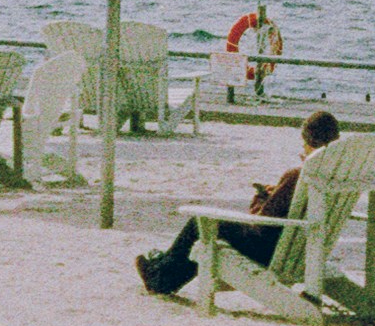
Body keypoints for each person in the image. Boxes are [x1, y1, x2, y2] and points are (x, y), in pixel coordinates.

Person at [136, 109, 340, 296]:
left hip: (267, 251)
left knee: (200, 224)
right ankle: (161, 265)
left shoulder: (297, 175)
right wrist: (277, 193)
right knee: (205, 230)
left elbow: (260, 222)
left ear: (307, 140)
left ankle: (160, 277)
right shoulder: (335, 175)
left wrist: (261, 198)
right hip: (302, 252)